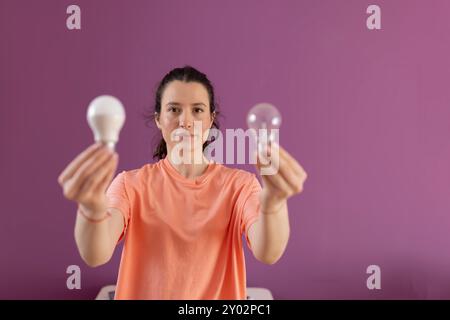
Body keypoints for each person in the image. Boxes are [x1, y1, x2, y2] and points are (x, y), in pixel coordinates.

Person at [57, 66, 307, 300]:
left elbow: (269, 252)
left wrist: (274, 201)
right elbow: (95, 254)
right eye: (174, 109)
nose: (185, 121)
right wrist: (90, 208)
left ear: (210, 120)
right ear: (159, 119)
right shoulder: (129, 185)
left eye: (197, 110)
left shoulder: (239, 186)